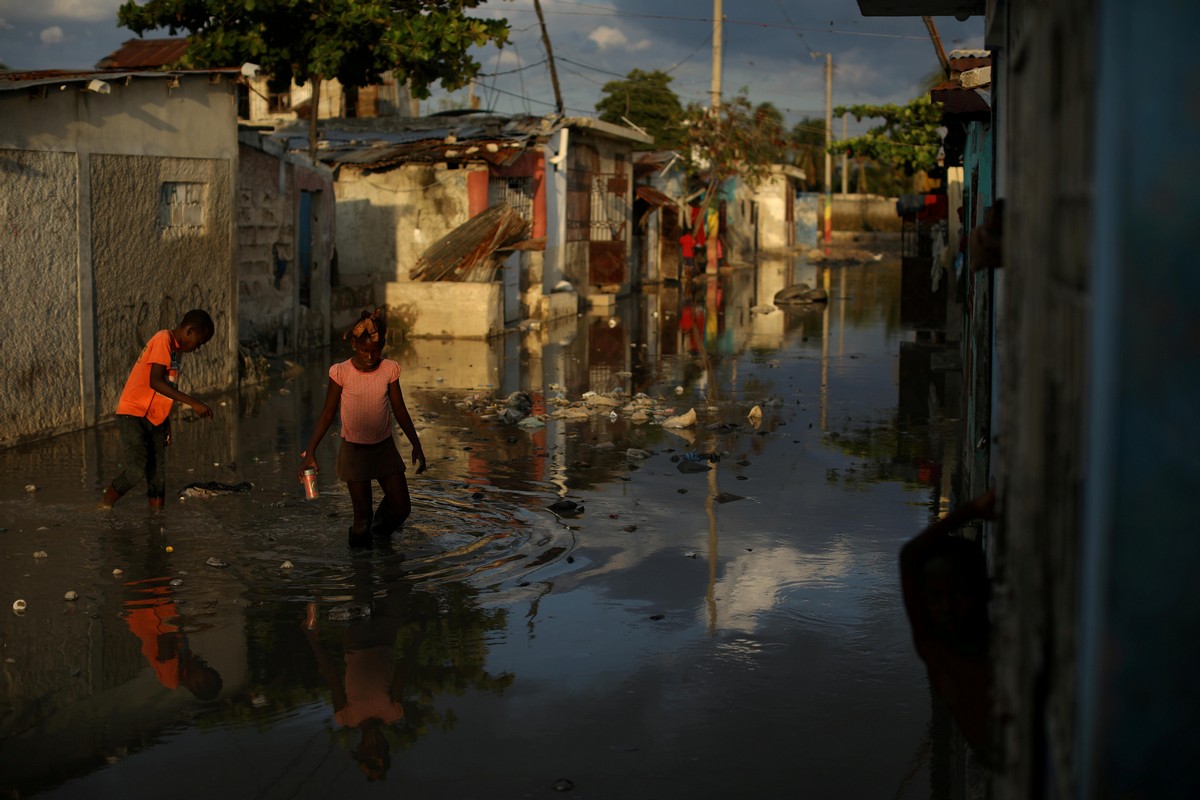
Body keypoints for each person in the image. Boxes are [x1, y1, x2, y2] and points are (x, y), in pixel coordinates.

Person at [300, 308, 426, 546]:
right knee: (362, 520)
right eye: (364, 350)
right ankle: (360, 571)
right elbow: (327, 412)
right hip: (354, 452)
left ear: (384, 347)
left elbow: (399, 409)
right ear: (354, 345)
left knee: (401, 507)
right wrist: (311, 451)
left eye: (376, 351)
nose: (370, 357)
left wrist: (416, 444)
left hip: (384, 448)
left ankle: (381, 539)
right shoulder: (342, 372)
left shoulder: (389, 369)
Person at [900, 489, 995, 758]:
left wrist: (973, 510)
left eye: (959, 594)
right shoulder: (936, 648)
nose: (947, 607)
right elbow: (908, 557)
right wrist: (972, 510)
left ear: (981, 593)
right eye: (935, 598)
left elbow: (909, 556)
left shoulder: (945, 647)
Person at [101, 309, 215, 510]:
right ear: (189, 330)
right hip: (133, 413)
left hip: (156, 418)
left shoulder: (176, 352)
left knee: (158, 474)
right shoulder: (163, 338)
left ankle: (156, 520)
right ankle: (104, 506)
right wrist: (193, 402)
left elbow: (166, 390)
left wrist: (166, 420)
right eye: (200, 342)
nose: (198, 348)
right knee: (137, 468)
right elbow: (155, 382)